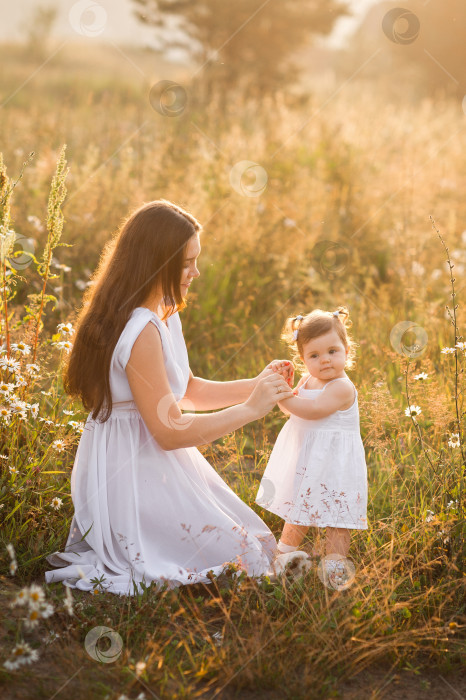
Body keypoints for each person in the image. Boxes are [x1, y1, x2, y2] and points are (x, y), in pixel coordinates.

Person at [44, 199, 294, 596]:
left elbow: (187, 389)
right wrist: (250, 409)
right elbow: (169, 431)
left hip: (153, 460)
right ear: (155, 263)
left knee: (254, 545)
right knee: (243, 555)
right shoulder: (140, 328)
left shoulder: (163, 310)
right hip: (129, 469)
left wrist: (256, 382)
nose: (196, 272)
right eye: (186, 263)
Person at [255, 306, 368, 582]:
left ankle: (335, 570)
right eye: (314, 355)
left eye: (332, 351)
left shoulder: (342, 387)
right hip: (309, 462)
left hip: (335, 466)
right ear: (303, 358)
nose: (325, 360)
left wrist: (281, 395)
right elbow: (292, 411)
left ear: (347, 350)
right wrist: (286, 386)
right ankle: (283, 556)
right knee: (299, 509)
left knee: (337, 521)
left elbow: (313, 410)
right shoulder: (308, 379)